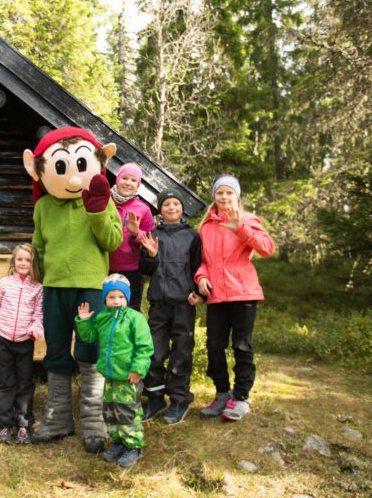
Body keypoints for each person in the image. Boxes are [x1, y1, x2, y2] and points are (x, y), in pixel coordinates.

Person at [22, 127, 123, 453]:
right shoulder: (43, 207)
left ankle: (93, 421)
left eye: (81, 164)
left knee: (90, 350)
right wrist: (35, 280)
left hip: (91, 286)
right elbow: (39, 246)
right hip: (55, 287)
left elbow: (113, 241)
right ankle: (58, 418)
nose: (74, 175)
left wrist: (97, 212)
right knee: (56, 351)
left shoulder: (102, 201)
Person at [194, 175, 275, 421]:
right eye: (220, 193)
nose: (225, 197)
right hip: (216, 295)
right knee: (214, 346)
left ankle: (240, 397)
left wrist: (240, 227)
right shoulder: (206, 226)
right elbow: (204, 261)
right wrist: (201, 277)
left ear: (237, 196)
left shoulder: (247, 220)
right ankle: (222, 393)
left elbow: (267, 248)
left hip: (243, 293)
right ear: (214, 196)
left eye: (229, 192)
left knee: (241, 345)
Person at [139, 188, 204, 425]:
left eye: (176, 204)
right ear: (160, 209)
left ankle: (179, 400)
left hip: (183, 303)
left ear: (182, 208)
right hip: (158, 302)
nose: (171, 208)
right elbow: (145, 269)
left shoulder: (192, 236)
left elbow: (199, 267)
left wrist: (199, 293)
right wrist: (151, 255)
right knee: (153, 352)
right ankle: (155, 398)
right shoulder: (152, 234)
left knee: (181, 352)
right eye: (166, 204)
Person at [76, 274, 154, 468]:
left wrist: (137, 370)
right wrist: (84, 321)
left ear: (127, 297)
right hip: (110, 377)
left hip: (128, 378)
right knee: (110, 412)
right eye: (111, 297)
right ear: (105, 299)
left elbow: (145, 347)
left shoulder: (135, 319)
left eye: (120, 296)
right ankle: (119, 442)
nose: (116, 301)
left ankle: (133, 447)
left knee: (127, 412)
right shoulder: (103, 319)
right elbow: (89, 337)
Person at [0, 243, 44, 444]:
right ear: (13, 262)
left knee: (25, 383)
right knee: (5, 383)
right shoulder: (3, 284)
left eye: (27, 260)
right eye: (19, 259)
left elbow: (39, 315)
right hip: (2, 340)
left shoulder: (38, 288)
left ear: (33, 263)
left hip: (24, 342)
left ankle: (24, 425)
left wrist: (35, 329)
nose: (23, 263)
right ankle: (4, 425)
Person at [109, 163, 155, 312]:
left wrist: (136, 233)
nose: (128, 183)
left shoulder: (143, 208)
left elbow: (150, 241)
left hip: (132, 270)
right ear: (117, 179)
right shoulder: (105, 202)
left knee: (130, 311)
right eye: (125, 178)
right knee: (105, 310)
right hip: (103, 267)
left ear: (138, 185)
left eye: (133, 180)